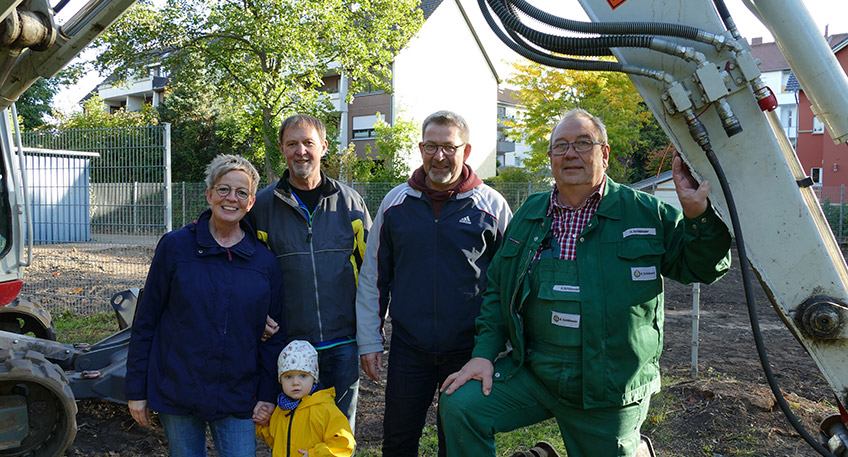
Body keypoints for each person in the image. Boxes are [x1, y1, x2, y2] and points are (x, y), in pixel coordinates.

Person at [439, 108, 732, 457]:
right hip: (536, 374)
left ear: (604, 154)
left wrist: (698, 218)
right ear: (550, 158)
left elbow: (704, 268)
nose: (571, 153)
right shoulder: (529, 216)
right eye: (560, 146)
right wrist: (484, 355)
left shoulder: (646, 212)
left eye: (582, 143)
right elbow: (497, 291)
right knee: (461, 405)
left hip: (609, 387)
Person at [355, 110, 513, 456]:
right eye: (430, 146)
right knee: (398, 439)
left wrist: (508, 345)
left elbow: (511, 283)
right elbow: (374, 278)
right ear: (421, 148)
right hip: (410, 349)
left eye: (448, 147)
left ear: (466, 151)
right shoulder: (396, 204)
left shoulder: (492, 206)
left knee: (455, 442)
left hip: (469, 351)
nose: (439, 156)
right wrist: (369, 340)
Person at [126, 154, 286, 457]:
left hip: (238, 393)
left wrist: (267, 394)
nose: (231, 198)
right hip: (178, 388)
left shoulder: (264, 260)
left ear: (251, 202)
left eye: (241, 192)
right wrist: (136, 390)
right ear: (209, 194)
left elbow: (275, 334)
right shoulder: (175, 247)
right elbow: (146, 320)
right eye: (224, 189)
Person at [246, 114, 371, 432]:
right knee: (293, 431)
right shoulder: (262, 207)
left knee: (339, 433)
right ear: (281, 149)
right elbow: (245, 274)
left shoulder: (350, 202)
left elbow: (372, 271)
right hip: (290, 346)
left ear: (324, 147)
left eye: (308, 143)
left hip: (343, 342)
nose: (301, 151)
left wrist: (371, 333)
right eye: (292, 144)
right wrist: (255, 316)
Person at [255, 340, 356, 457]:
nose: (295, 382)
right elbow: (274, 440)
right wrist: (262, 424)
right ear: (280, 380)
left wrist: (315, 454)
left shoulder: (325, 409)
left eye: (303, 376)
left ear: (314, 378)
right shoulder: (281, 409)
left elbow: (344, 443)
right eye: (288, 376)